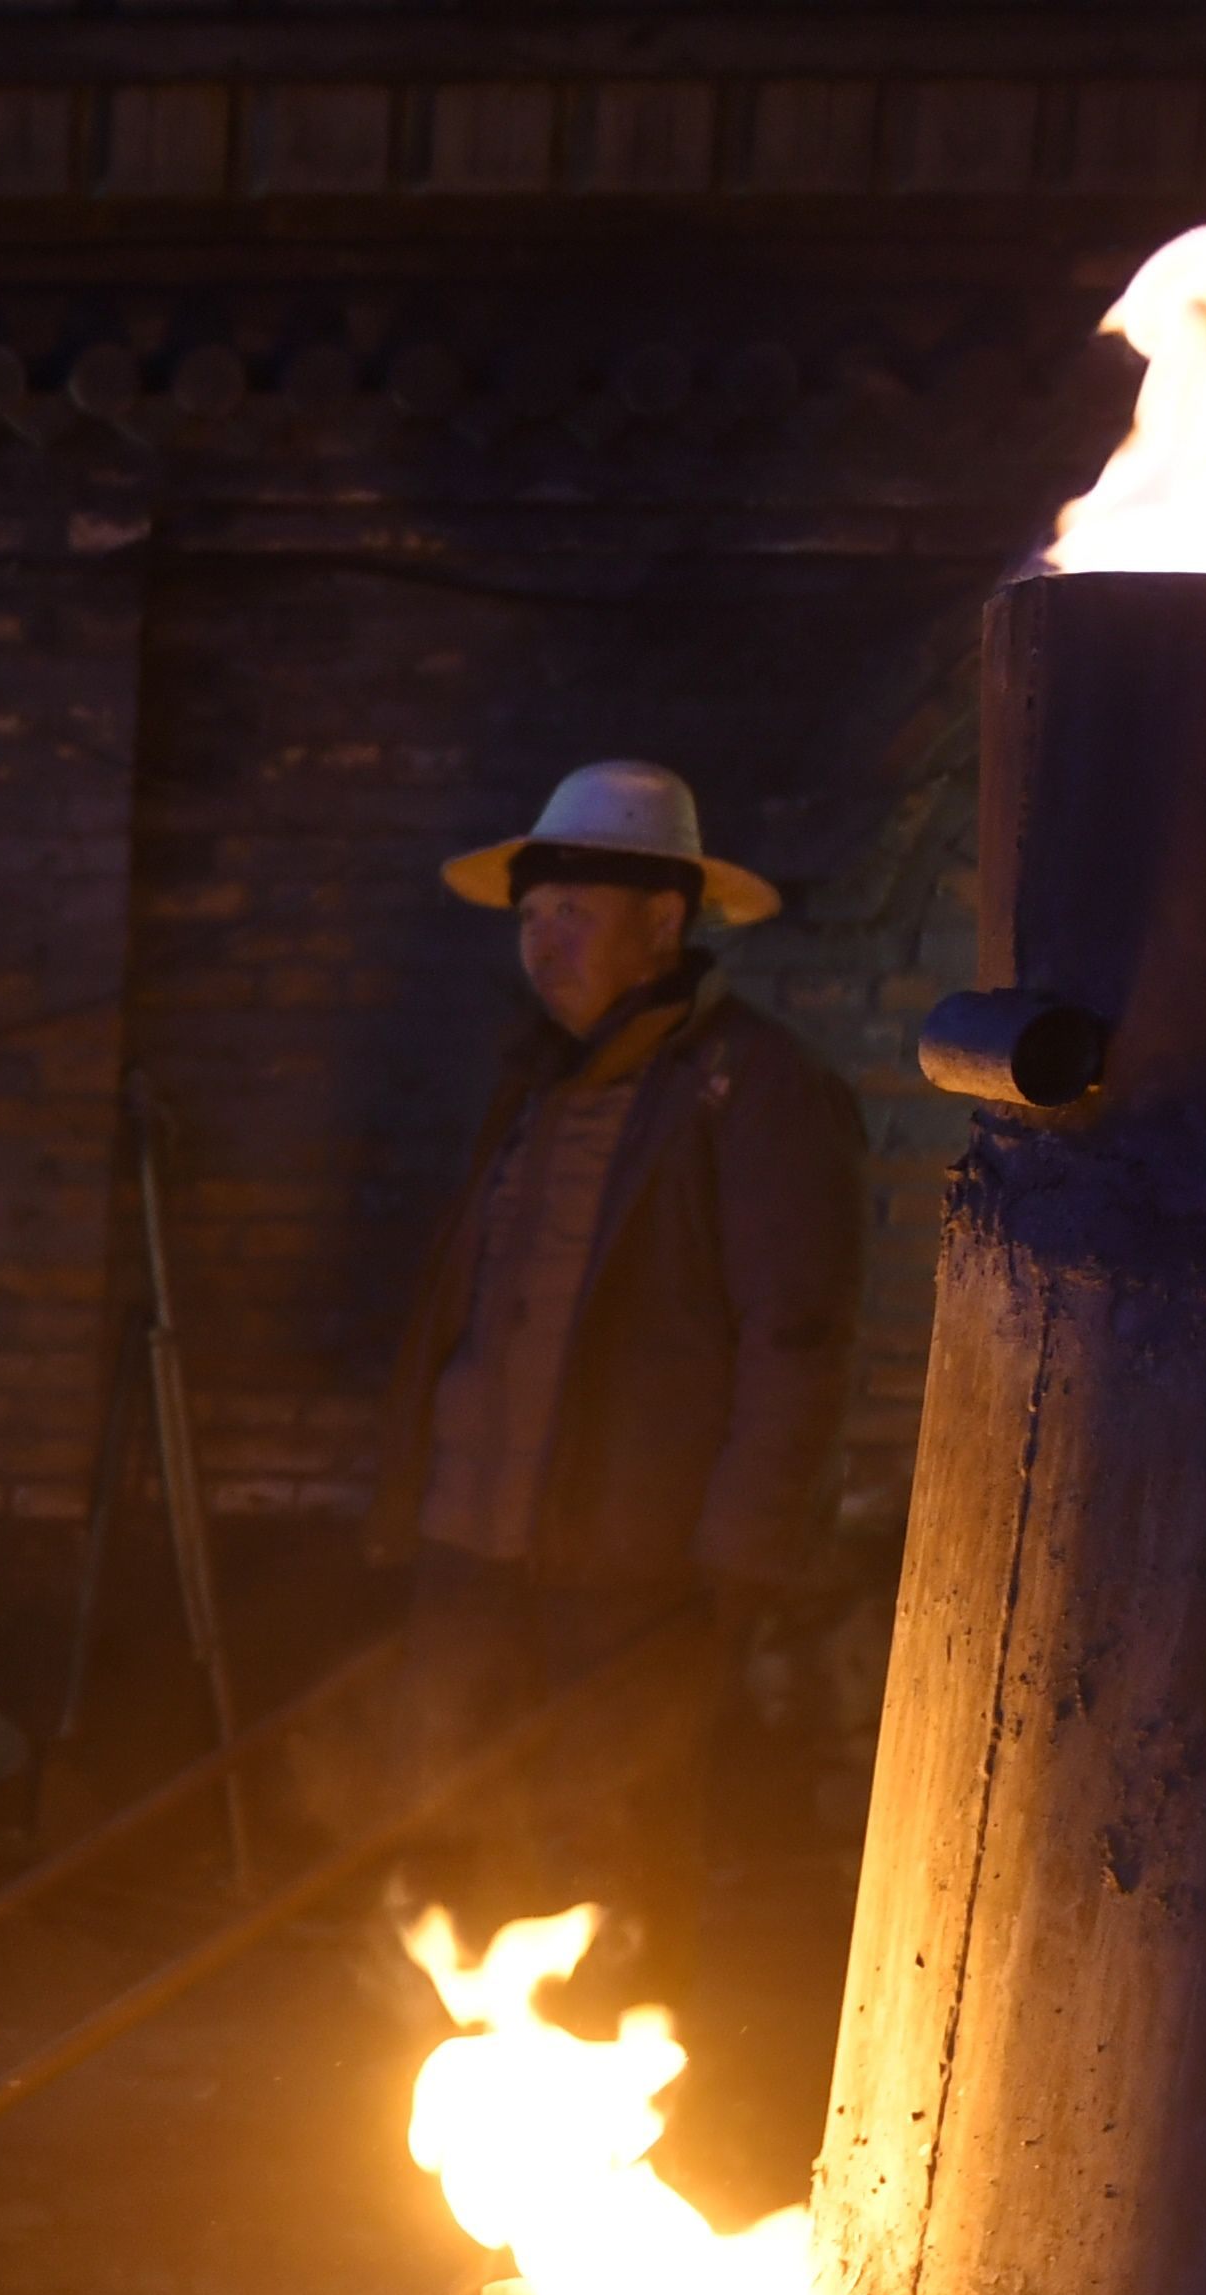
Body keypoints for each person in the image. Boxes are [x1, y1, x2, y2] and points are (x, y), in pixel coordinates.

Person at [366, 760, 864, 1997]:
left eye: (574, 913)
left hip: (635, 1575)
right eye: (532, 917)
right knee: (454, 1829)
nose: (543, 943)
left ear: (664, 922)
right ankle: (464, 2120)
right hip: (473, 1549)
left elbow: (794, 1341)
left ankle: (624, 2125)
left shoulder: (758, 1093)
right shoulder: (528, 1083)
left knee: (617, 1855)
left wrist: (739, 1562)